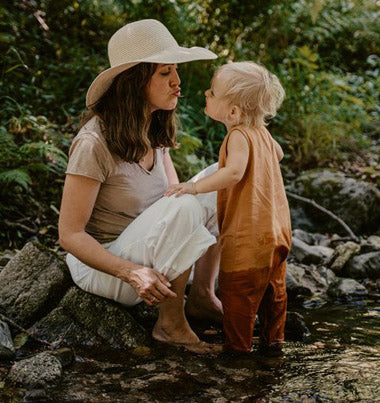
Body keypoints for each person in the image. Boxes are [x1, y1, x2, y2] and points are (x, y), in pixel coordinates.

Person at [58, 19, 222, 354]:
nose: (177, 82)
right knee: (189, 201)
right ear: (134, 82)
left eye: (175, 70)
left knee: (223, 176)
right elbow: (69, 234)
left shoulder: (152, 129)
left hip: (149, 254)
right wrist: (132, 273)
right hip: (106, 270)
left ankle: (202, 296)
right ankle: (170, 325)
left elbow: (172, 198)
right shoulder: (93, 143)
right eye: (165, 73)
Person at [166, 61, 292, 354]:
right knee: (274, 295)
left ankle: (238, 353)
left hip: (247, 239)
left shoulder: (237, 136)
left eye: (212, 92)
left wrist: (195, 187)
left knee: (239, 299)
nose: (206, 94)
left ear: (233, 112)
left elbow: (233, 173)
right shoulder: (262, 133)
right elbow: (279, 154)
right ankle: (274, 345)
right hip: (277, 234)